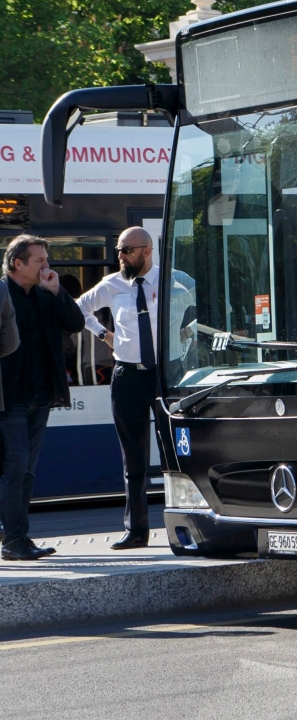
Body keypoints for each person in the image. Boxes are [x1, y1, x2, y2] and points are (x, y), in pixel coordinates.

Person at [0, 236, 84, 560]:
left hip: (41, 396)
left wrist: (58, 291)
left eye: (47, 260)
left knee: (27, 470)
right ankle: (13, 541)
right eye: (40, 261)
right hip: (9, 398)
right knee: (15, 467)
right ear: (18, 263)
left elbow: (75, 324)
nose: (47, 266)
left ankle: (18, 537)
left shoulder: (47, 294)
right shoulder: (2, 292)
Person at [78, 227, 163, 550]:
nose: (120, 256)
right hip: (127, 377)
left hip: (163, 377)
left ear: (146, 251)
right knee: (134, 460)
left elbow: (202, 309)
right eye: (118, 250)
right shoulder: (112, 285)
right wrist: (103, 334)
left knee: (176, 453)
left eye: (126, 250)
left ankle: (190, 522)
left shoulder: (173, 280)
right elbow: (80, 309)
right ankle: (137, 531)